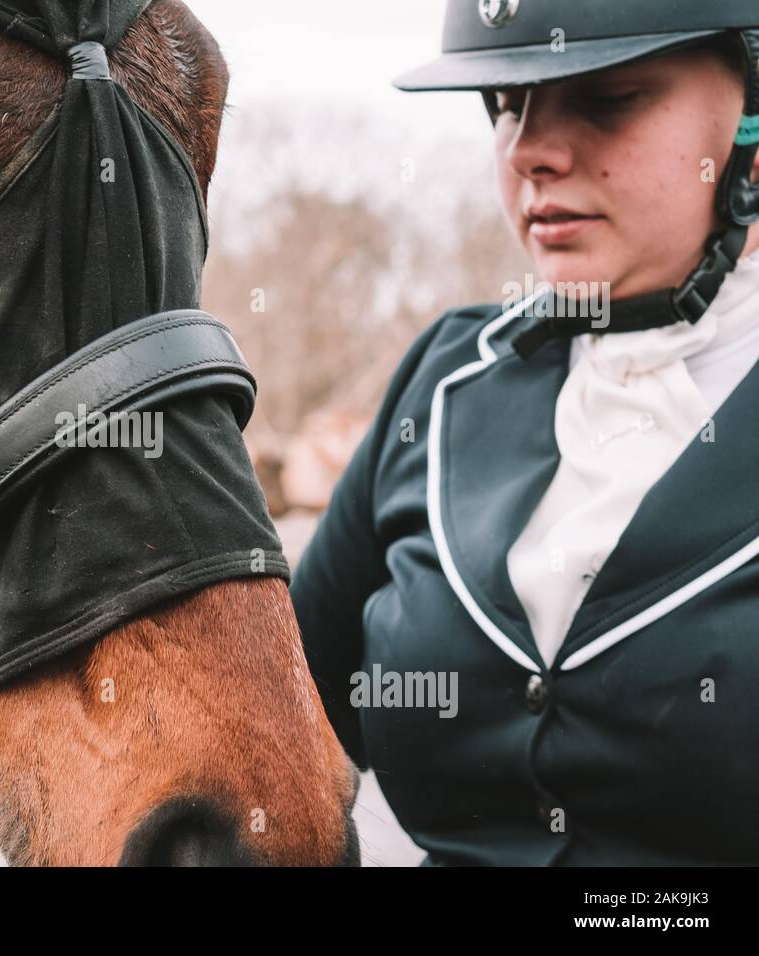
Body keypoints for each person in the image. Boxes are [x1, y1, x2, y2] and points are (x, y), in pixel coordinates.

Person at [290, 0, 759, 865]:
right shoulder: (444, 378)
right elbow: (277, 723)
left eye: (606, 98)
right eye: (506, 105)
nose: (528, 151)